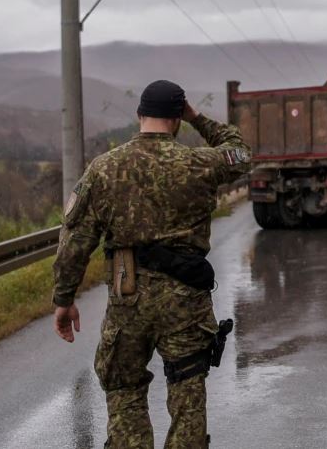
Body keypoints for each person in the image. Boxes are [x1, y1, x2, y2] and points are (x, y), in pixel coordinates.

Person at [51, 79, 250, 448]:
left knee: (124, 388)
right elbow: (240, 152)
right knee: (188, 392)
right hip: (186, 302)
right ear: (177, 119)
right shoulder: (198, 164)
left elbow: (75, 242)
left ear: (139, 114)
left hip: (128, 300)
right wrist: (197, 118)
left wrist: (64, 299)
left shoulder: (104, 169)